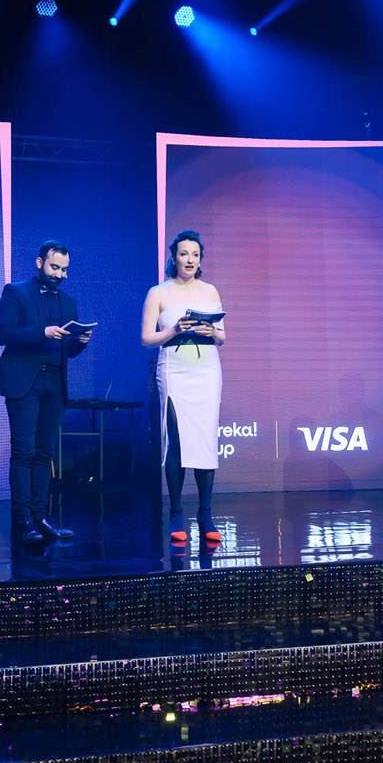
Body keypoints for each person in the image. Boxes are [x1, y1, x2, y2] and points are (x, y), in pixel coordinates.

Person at [0, 241, 92, 546]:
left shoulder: (68, 302)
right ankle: (22, 521)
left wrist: (80, 342)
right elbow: (3, 334)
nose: (59, 274)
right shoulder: (16, 292)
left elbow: (67, 351)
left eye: (64, 270)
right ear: (39, 263)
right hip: (24, 381)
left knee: (45, 453)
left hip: (54, 383)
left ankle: (40, 517)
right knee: (23, 452)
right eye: (54, 267)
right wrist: (41, 332)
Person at [141, 230, 226, 545]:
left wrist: (210, 331)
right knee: (175, 441)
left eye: (195, 255)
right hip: (174, 369)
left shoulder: (210, 290)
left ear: (200, 259)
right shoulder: (158, 292)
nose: (189, 260)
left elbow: (222, 336)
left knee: (205, 440)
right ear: (174, 258)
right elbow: (146, 338)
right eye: (184, 254)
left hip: (206, 369)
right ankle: (176, 512)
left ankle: (205, 513)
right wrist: (175, 329)